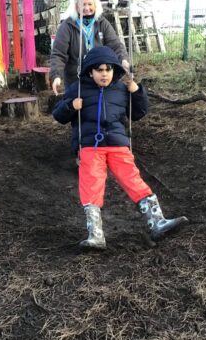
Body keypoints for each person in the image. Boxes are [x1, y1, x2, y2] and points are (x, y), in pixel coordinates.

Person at [52, 46, 187, 250]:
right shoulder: (77, 89)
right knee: (92, 184)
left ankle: (157, 222)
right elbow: (58, 115)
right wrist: (71, 106)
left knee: (133, 179)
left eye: (108, 69)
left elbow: (138, 113)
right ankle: (96, 235)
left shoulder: (121, 89)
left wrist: (137, 92)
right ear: (90, 71)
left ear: (114, 70)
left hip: (118, 144)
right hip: (90, 145)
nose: (104, 74)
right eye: (99, 70)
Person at [50, 0, 130, 96]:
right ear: (76, 6)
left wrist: (123, 60)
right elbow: (58, 54)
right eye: (83, 4)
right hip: (76, 80)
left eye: (90, 4)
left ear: (95, 5)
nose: (87, 8)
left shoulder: (102, 23)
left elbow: (115, 45)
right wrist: (56, 75)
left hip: (100, 77)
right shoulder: (67, 26)